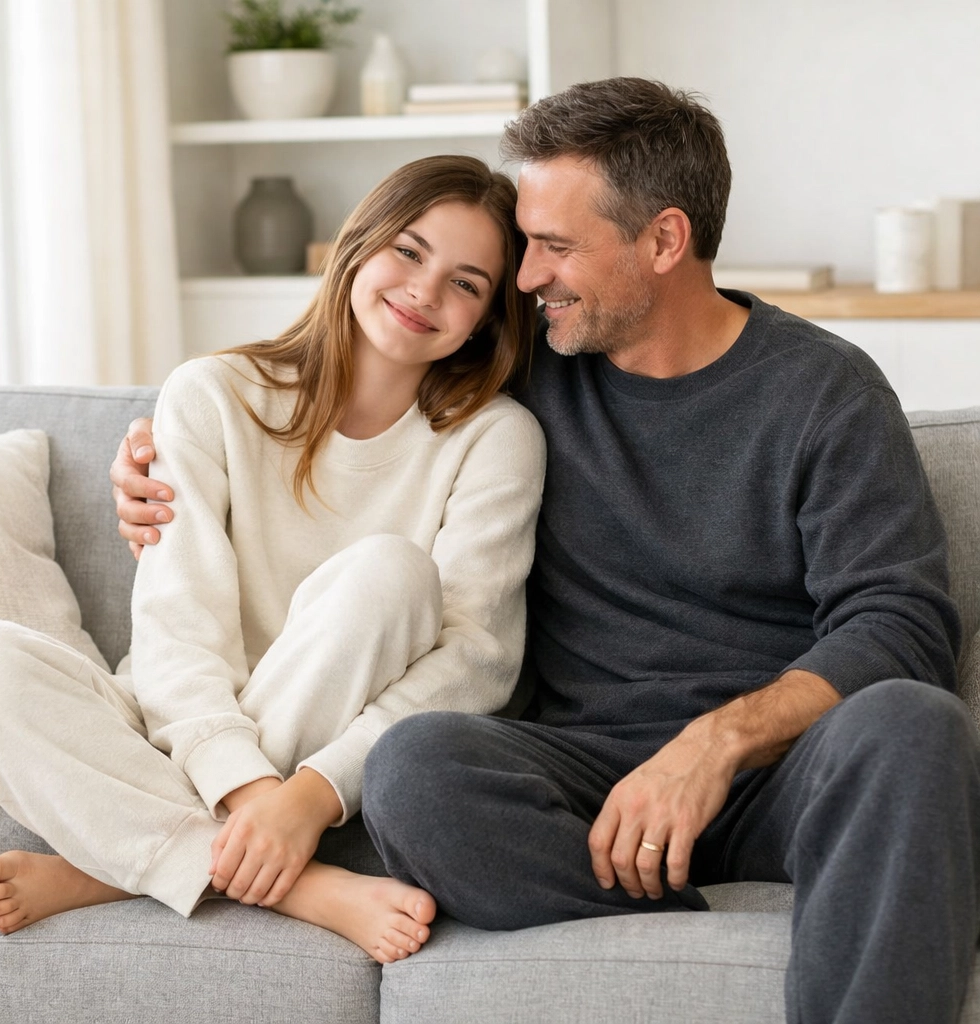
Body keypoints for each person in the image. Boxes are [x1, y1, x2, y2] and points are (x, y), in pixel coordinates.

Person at [110, 79, 980, 1024]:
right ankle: (676, 923)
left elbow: (902, 624)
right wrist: (155, 457)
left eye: (556, 247)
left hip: (777, 776)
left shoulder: (826, 392)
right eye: (526, 247)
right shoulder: (525, 364)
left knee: (912, 724)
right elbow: (357, 384)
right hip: (581, 783)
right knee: (414, 767)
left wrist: (713, 745)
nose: (526, 278)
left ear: (664, 241)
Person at [0, 154, 546, 965]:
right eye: (408, 251)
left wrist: (312, 795)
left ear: (485, 319)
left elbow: (477, 663)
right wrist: (259, 799)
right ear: (358, 245)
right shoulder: (212, 393)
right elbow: (176, 635)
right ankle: (291, 882)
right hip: (179, 727)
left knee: (389, 573)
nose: (424, 291)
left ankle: (125, 862)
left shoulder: (499, 439)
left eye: (466, 283)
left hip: (323, 755)